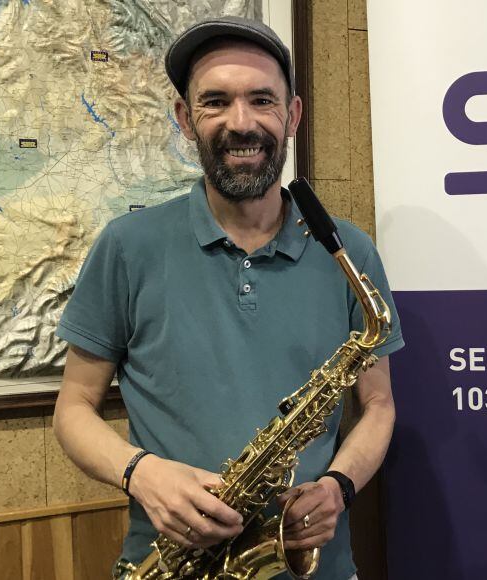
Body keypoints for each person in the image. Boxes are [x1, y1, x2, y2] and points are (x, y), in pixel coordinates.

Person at [52, 15, 403, 580]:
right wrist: (142, 474)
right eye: (215, 103)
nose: (241, 124)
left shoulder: (349, 252)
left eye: (262, 100)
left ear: (292, 115)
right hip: (169, 564)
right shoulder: (126, 245)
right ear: (185, 120)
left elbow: (379, 405)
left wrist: (340, 485)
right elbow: (73, 409)